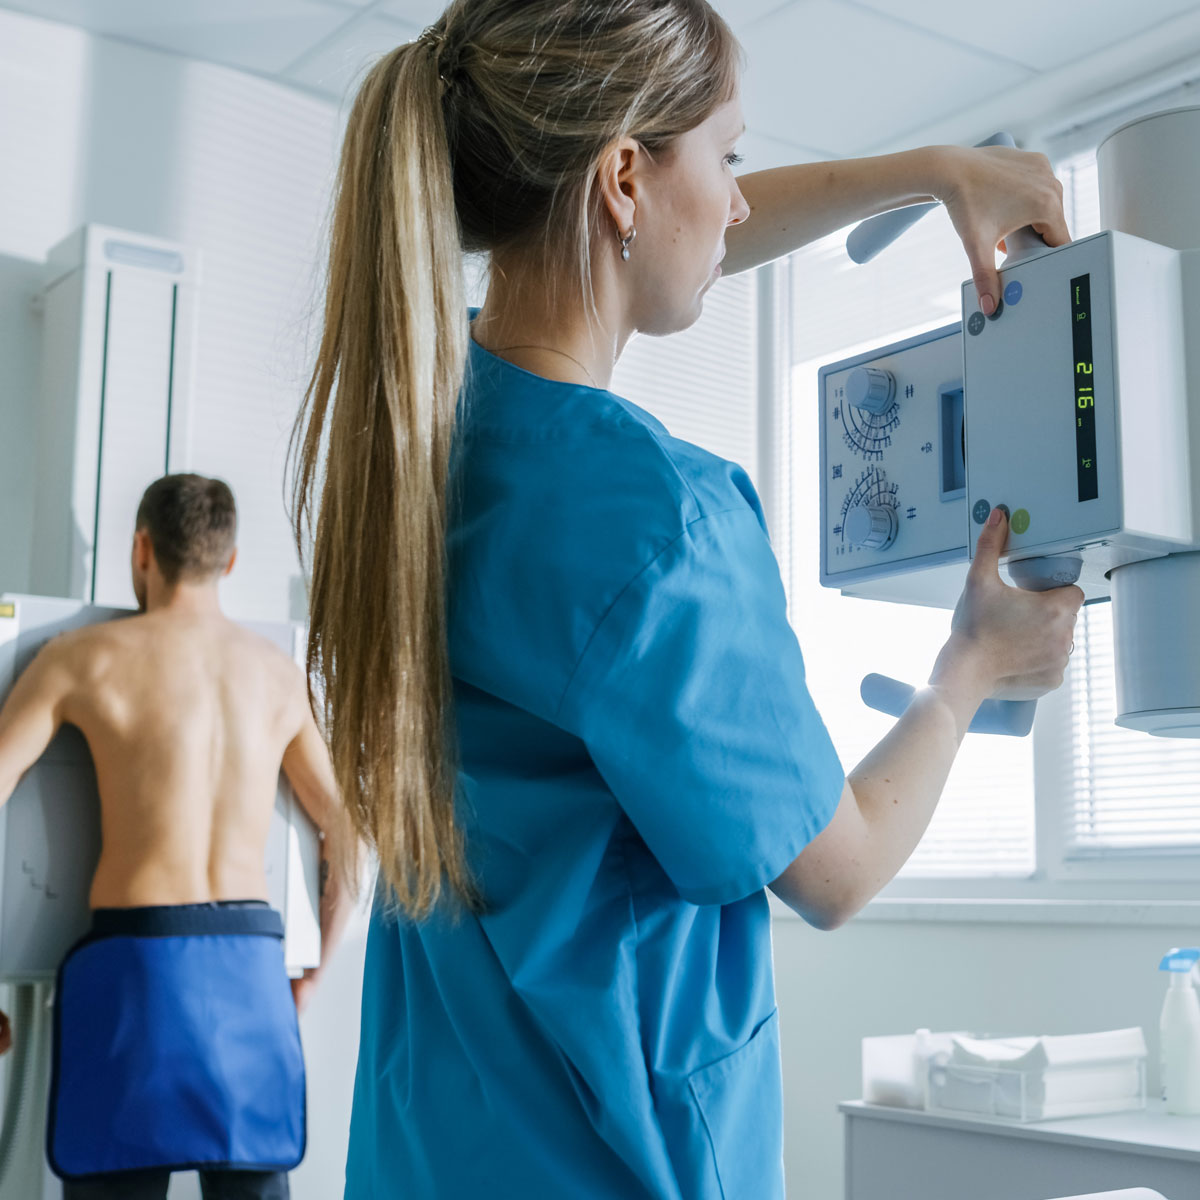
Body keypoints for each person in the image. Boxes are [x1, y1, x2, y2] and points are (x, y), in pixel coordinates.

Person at [291, 2, 1083, 1196]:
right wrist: (968, 668)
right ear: (621, 177)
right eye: (731, 157)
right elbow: (837, 871)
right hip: (606, 1167)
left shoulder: (429, 424)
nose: (741, 200)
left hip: (434, 1150)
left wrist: (933, 175)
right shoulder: (661, 522)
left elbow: (664, 248)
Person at [0, 473, 352, 1200]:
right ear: (228, 563)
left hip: (137, 965)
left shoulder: (79, 658)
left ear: (141, 549)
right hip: (252, 969)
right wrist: (311, 977)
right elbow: (346, 835)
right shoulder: (279, 677)